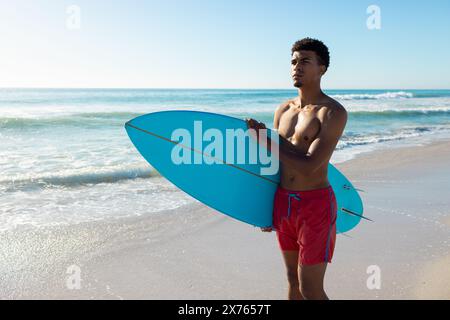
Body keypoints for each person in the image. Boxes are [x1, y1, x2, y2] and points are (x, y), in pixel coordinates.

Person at [246, 38, 347, 300]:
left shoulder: (332, 112)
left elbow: (311, 165)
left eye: (305, 61)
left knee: (310, 289)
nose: (296, 67)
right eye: (293, 61)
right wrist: (264, 208)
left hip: (315, 206)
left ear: (322, 68)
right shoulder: (283, 110)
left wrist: (266, 141)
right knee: (292, 281)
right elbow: (274, 163)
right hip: (283, 202)